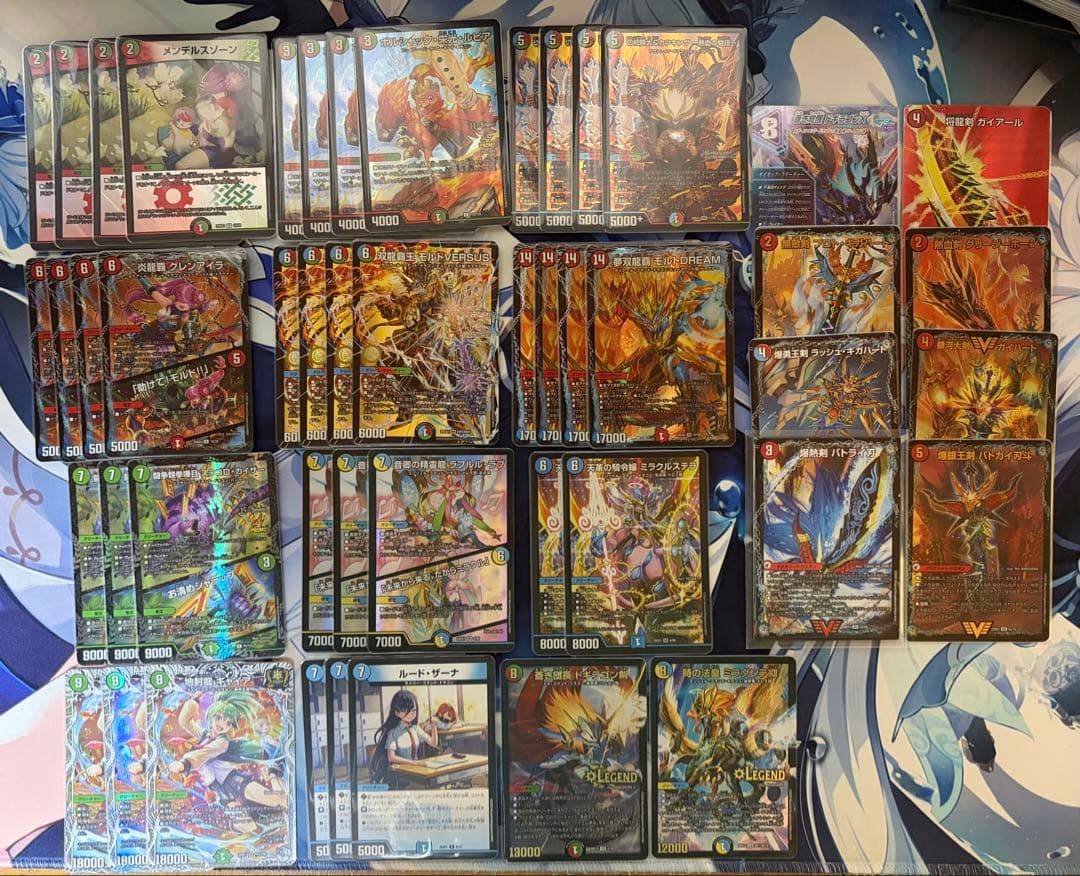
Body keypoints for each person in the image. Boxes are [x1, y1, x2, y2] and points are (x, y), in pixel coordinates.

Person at [368, 689, 438, 788]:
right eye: (406, 710)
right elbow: (391, 757)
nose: (411, 714)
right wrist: (414, 763)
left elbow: (433, 743)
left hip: (416, 772)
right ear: (397, 712)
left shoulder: (415, 729)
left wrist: (434, 727)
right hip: (400, 776)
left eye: (413, 710)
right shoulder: (393, 732)